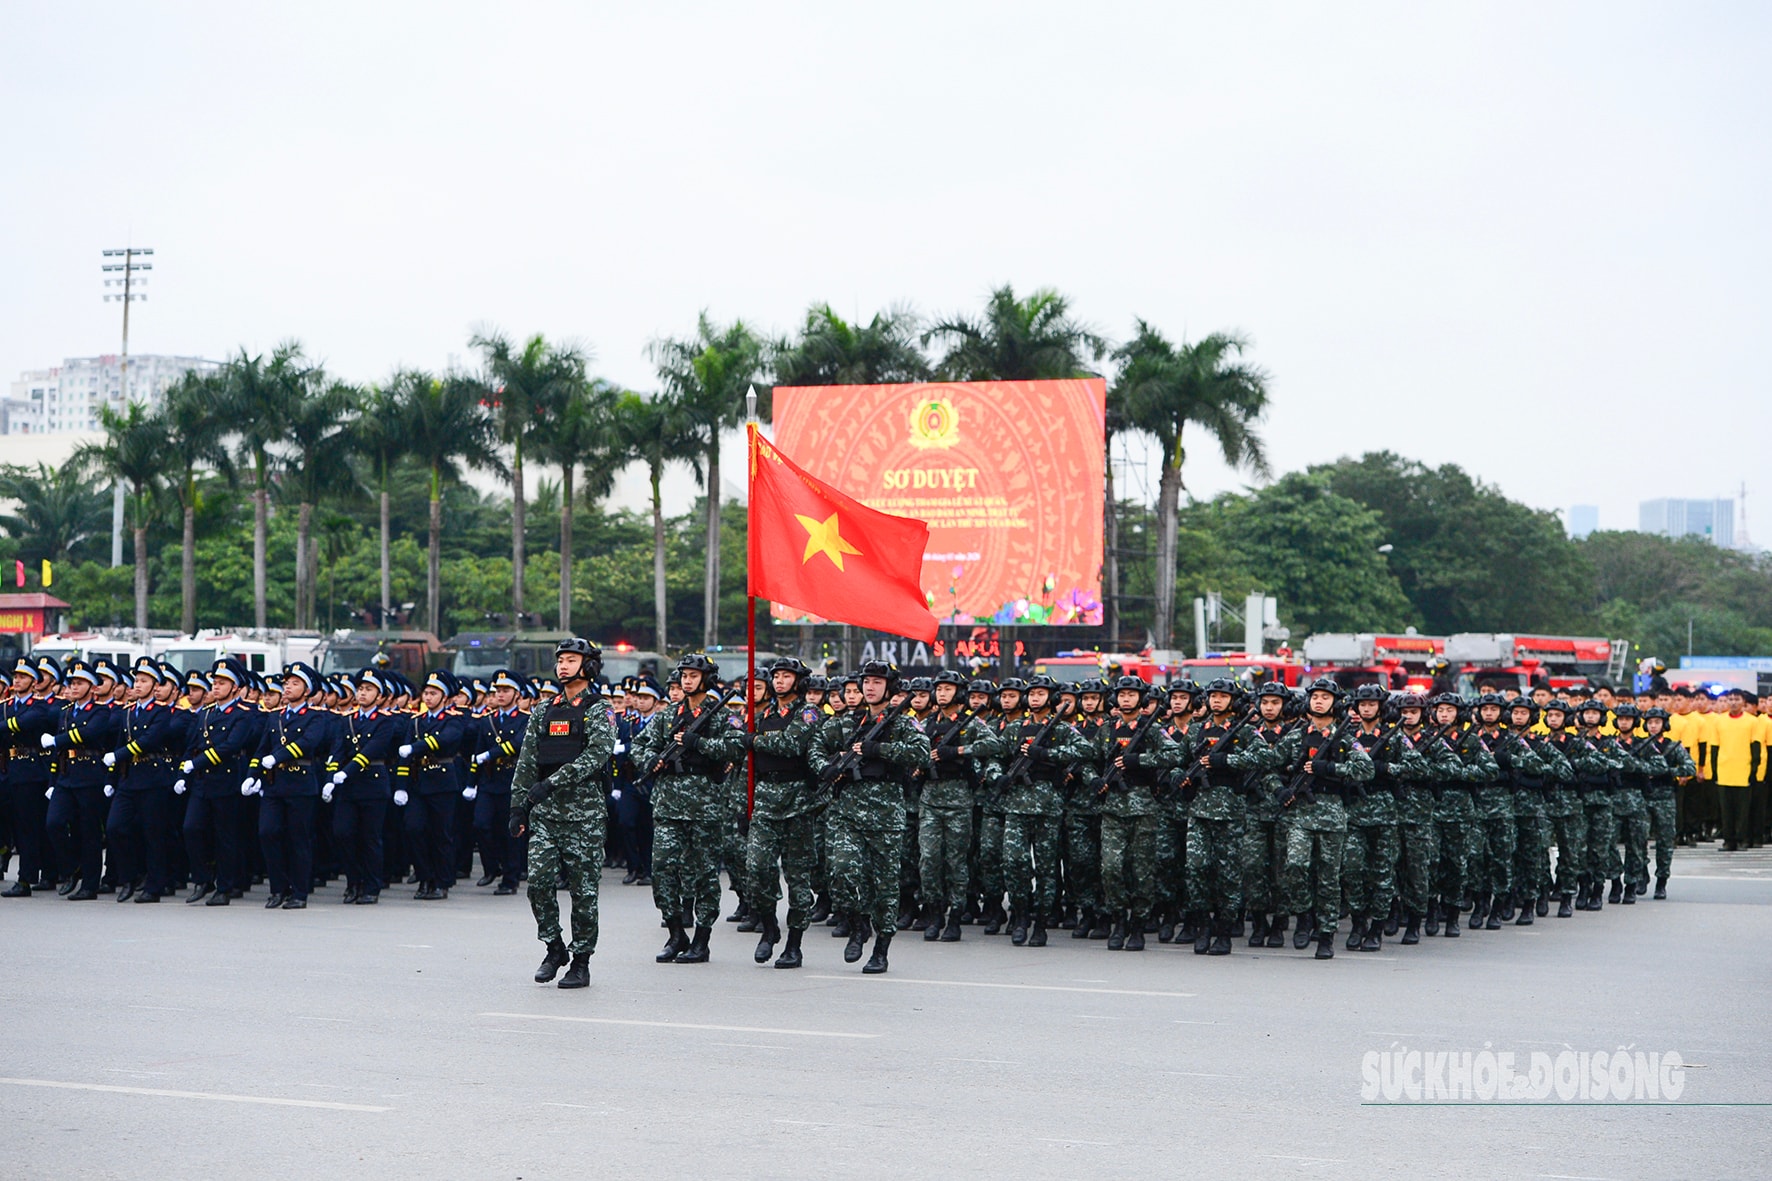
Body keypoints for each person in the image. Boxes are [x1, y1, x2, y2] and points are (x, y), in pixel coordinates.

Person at [509, 638, 616, 990]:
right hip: (546, 815)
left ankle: (581, 960)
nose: (563, 666)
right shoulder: (543, 710)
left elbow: (596, 756)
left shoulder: (598, 710)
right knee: (538, 883)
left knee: (583, 891)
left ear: (588, 666)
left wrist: (553, 783)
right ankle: (554, 947)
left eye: (571, 660)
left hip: (584, 816)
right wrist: (518, 806)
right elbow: (527, 762)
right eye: (561, 661)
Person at [812, 660, 928, 974]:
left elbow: (921, 752)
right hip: (848, 811)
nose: (870, 687)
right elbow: (817, 746)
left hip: (886, 813)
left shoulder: (903, 723)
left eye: (877, 682)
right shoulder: (846, 723)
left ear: (888, 688)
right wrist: (825, 766)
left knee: (885, 885)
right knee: (842, 872)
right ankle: (859, 924)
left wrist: (879, 749)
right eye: (867, 681)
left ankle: (881, 947)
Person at [631, 653, 744, 965]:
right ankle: (676, 931)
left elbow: (738, 746)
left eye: (694, 675)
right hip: (668, 803)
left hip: (706, 805)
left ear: (706, 679)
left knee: (705, 874)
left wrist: (700, 743)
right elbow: (639, 745)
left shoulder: (722, 715)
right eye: (684, 674)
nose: (688, 680)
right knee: (663, 867)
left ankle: (702, 939)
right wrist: (650, 760)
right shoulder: (669, 716)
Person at [1276, 679, 1373, 959]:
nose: (1319, 701)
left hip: (1332, 815)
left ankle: (1327, 934)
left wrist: (1331, 767)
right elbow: (1269, 766)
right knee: (1295, 865)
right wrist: (1278, 789)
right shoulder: (1296, 737)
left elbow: (1365, 769)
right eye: (1315, 696)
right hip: (1301, 816)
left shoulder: (1344, 738)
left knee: (1329, 878)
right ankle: (1304, 915)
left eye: (1325, 697)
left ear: (1335, 703)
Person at [745, 657, 824, 967]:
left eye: (786, 676)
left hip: (798, 801)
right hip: (766, 798)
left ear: (799, 681)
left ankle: (794, 943)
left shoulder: (808, 713)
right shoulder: (762, 715)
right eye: (776, 676)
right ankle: (768, 927)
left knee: (798, 878)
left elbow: (792, 744)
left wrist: (755, 740)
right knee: (757, 868)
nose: (779, 681)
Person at [248, 663, 340, 909]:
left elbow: (308, 743)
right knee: (267, 833)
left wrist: (277, 758)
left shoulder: (316, 716)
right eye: (286, 682)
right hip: (274, 784)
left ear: (307, 690)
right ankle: (278, 889)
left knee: (298, 839)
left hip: (300, 784)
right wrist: (252, 774)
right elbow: (262, 749)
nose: (288, 687)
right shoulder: (274, 716)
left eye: (295, 683)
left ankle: (299, 892)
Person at [919, 669, 1001, 943]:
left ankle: (955, 916)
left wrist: (957, 751)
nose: (942, 693)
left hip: (958, 801)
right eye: (939, 689)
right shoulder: (928, 723)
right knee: (929, 860)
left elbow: (993, 744)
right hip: (930, 798)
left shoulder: (970, 723)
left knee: (956, 861)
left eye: (948, 689)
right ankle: (934, 913)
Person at [327, 670, 402, 904]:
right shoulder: (347, 720)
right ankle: (353, 881)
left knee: (370, 838)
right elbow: (337, 751)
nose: (362, 693)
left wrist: (344, 772)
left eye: (369, 689)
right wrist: (331, 778)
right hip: (348, 787)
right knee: (343, 833)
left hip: (372, 784)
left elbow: (372, 751)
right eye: (360, 689)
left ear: (379, 696)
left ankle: (371, 886)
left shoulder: (385, 722)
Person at [398, 671, 467, 900]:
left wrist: (416, 748)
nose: (428, 697)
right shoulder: (416, 721)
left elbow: (447, 739)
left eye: (433, 693)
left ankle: (441, 881)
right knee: (414, 829)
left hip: (442, 782)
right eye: (426, 693)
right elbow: (404, 757)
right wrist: (401, 785)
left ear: (445, 696)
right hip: (418, 783)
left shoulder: (453, 718)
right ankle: (424, 876)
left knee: (441, 834)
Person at [2, 657, 63, 897]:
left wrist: (6, 725)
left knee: (30, 826)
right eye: (15, 677)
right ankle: (43, 872)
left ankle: (28, 878)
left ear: (34, 681)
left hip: (33, 770)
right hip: (11, 769)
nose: (17, 681)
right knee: (20, 826)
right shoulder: (7, 705)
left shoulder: (40, 707)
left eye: (23, 677)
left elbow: (24, 724)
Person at [470, 670, 528, 895]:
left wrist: (490, 755)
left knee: (511, 832)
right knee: (481, 825)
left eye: (506, 691)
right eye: (498, 691)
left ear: (517, 694)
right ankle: (492, 866)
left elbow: (517, 744)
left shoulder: (525, 719)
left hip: (512, 780)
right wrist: (470, 782)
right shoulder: (488, 720)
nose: (500, 695)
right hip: (489, 780)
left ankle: (510, 879)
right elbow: (478, 753)